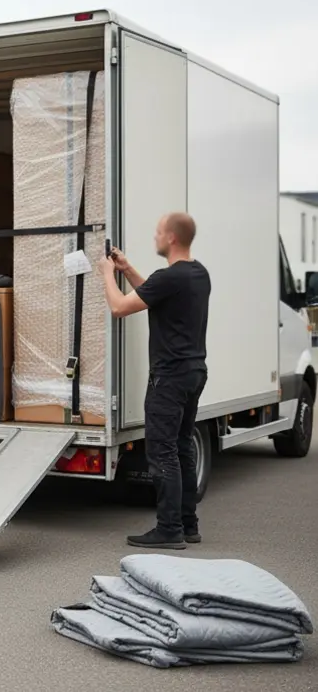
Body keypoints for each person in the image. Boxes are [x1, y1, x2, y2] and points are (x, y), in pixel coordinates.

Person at [98, 212, 211, 550]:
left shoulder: (170, 277)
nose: (155, 236)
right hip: (193, 373)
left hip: (170, 377)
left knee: (162, 453)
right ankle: (188, 525)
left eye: (159, 232)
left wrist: (106, 274)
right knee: (181, 450)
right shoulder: (198, 274)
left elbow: (120, 307)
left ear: (172, 238)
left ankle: (169, 529)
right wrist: (127, 268)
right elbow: (153, 295)